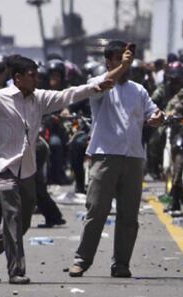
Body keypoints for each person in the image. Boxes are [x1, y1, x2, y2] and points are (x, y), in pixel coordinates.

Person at [0, 56, 112, 285]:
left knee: (22, 223)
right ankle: (16, 271)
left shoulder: (39, 99)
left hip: (27, 169)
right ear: (18, 78)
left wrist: (93, 87)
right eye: (32, 75)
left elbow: (67, 94)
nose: (37, 79)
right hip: (1, 168)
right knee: (13, 217)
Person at [69, 40, 164, 278]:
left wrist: (157, 117)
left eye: (128, 59)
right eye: (121, 58)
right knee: (97, 210)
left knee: (128, 216)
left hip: (133, 157)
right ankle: (82, 259)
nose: (127, 64)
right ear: (109, 61)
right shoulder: (97, 84)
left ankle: (121, 263)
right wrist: (121, 66)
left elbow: (152, 112)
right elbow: (102, 85)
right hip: (105, 155)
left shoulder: (138, 90)